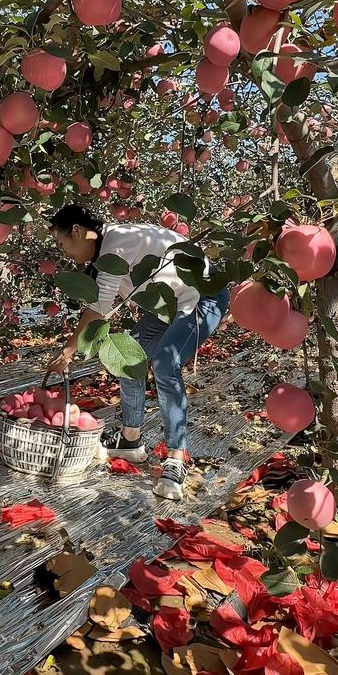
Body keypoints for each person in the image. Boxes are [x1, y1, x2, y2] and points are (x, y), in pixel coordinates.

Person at [46, 204, 229, 500]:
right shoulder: (108, 246)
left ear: (77, 231)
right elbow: (102, 304)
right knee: (131, 359)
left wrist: (68, 351)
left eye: (62, 242)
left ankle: (175, 460)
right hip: (168, 304)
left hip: (203, 296)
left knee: (165, 363)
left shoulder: (112, 248)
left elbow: (100, 309)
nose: (63, 251)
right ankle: (131, 440)